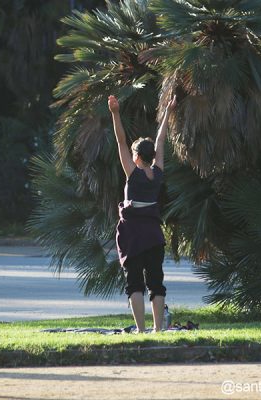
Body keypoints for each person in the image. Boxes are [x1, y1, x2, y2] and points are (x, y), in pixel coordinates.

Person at [108, 94, 177, 333]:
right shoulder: (158, 173)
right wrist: (168, 111)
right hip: (154, 237)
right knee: (156, 284)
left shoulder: (133, 173)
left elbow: (120, 141)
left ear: (136, 158)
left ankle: (140, 330)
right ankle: (158, 331)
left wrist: (115, 113)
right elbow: (161, 139)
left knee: (134, 284)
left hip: (133, 237)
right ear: (152, 157)